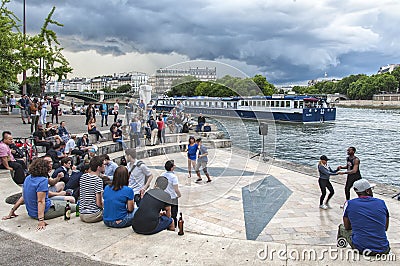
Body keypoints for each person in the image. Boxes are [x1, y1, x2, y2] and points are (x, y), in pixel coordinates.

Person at [338, 179, 390, 255]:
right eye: (371, 189)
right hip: (383, 249)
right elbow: (385, 227)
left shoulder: (349, 204)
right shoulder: (381, 202)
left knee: (341, 227)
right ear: (368, 191)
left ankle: (340, 247)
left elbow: (347, 227)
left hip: (361, 248)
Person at [23, 158, 76, 230]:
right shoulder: (43, 180)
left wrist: (13, 210)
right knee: (76, 207)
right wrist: (41, 221)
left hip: (31, 212)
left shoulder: (28, 178)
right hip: (46, 211)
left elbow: (23, 196)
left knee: (64, 201)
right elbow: (41, 201)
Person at [79, 156, 105, 223]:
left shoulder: (83, 177)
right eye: (103, 165)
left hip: (82, 213)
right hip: (93, 215)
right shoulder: (98, 180)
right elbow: (98, 203)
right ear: (99, 167)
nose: (105, 166)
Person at [161, 160, 181, 226]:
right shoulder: (174, 177)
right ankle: (173, 226)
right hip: (172, 198)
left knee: (166, 213)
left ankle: (165, 225)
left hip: (164, 197)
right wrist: (179, 195)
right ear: (172, 168)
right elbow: (176, 189)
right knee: (173, 214)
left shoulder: (162, 175)